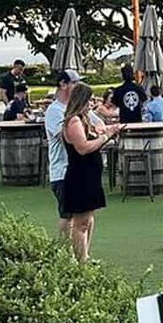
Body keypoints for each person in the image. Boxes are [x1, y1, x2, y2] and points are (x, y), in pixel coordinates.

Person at [62, 82, 120, 262]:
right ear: (81, 100)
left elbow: (94, 137)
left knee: (88, 219)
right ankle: (81, 262)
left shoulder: (85, 120)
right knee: (81, 223)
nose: (92, 103)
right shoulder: (73, 121)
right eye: (89, 100)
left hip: (90, 176)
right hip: (80, 176)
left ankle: (85, 255)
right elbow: (83, 148)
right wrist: (105, 137)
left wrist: (108, 131)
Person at [44, 69, 81, 241]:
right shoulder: (54, 111)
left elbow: (99, 123)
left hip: (78, 169)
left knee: (84, 216)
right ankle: (65, 256)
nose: (78, 86)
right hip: (62, 172)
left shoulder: (76, 107)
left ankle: (83, 258)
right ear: (63, 84)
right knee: (68, 215)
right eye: (74, 82)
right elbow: (66, 137)